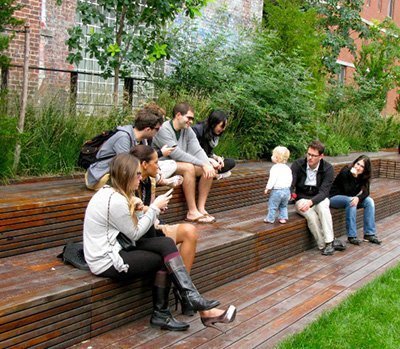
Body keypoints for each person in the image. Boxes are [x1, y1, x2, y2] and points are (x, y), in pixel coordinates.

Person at [83, 153, 236, 331]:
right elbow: (135, 233)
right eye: (137, 174)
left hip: (118, 246)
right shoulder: (115, 200)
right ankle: (171, 309)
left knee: (166, 245)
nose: (140, 178)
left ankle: (187, 299)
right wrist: (154, 208)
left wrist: (142, 209)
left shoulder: (115, 193)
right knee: (165, 256)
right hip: (107, 259)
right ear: (126, 175)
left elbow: (134, 231)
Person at [130, 144, 199, 315]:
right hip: (136, 233)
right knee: (167, 244)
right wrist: (152, 208)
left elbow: (149, 211)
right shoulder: (128, 181)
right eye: (156, 162)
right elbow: (133, 212)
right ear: (144, 164)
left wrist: (155, 210)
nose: (159, 165)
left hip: (151, 227)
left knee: (190, 231)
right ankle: (184, 294)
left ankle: (183, 292)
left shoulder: (150, 181)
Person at [85, 103, 181, 191]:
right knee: (145, 167)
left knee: (171, 164)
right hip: (99, 177)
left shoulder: (142, 139)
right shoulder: (123, 137)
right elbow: (125, 167)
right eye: (157, 129)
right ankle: (161, 181)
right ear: (148, 129)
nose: (158, 131)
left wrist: (156, 167)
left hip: (116, 174)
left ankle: (159, 179)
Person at [152, 102, 216, 224]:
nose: (191, 121)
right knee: (189, 168)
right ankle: (192, 211)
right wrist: (203, 164)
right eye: (189, 118)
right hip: (162, 167)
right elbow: (176, 154)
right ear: (178, 115)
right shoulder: (164, 130)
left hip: (178, 165)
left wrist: (207, 164)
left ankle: (201, 208)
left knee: (208, 169)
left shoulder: (188, 130)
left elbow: (197, 149)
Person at [291, 140, 336, 256]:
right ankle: (323, 245)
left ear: (321, 156)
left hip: (319, 198)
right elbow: (291, 184)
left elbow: (324, 192)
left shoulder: (328, 168)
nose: (310, 158)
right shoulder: (298, 164)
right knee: (311, 216)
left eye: (313, 156)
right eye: (308, 154)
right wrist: (289, 194)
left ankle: (330, 242)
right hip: (301, 198)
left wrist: (311, 202)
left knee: (323, 208)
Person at [330, 155, 381, 245]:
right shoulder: (345, 171)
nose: (358, 167)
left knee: (369, 201)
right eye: (358, 164)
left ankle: (369, 234)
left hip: (349, 198)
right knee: (351, 201)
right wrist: (354, 176)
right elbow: (348, 191)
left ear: (365, 170)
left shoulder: (364, 176)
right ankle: (351, 236)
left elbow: (366, 193)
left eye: (362, 167)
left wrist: (358, 198)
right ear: (354, 163)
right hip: (334, 197)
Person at [192, 110, 236, 180]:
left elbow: (208, 153)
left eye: (224, 126)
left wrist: (217, 158)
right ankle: (215, 174)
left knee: (231, 162)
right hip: (196, 162)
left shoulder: (212, 133)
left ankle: (215, 172)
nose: (223, 129)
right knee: (211, 166)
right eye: (222, 126)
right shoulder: (197, 130)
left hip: (206, 161)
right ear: (214, 123)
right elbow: (192, 153)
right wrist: (209, 160)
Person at [264, 146, 292, 224]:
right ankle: (283, 218)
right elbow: (290, 179)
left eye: (273, 155)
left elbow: (272, 179)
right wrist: (289, 190)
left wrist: (267, 188)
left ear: (276, 158)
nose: (271, 156)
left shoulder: (275, 168)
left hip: (277, 191)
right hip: (286, 190)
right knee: (283, 206)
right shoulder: (287, 168)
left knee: (272, 205)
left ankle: (270, 218)